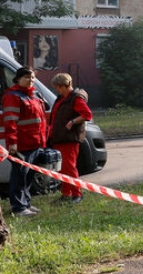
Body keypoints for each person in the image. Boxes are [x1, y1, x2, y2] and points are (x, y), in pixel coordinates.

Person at [2, 67, 48, 216]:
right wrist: (12, 142)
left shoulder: (34, 95)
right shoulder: (12, 96)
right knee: (19, 175)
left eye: (33, 78)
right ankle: (18, 207)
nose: (31, 80)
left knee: (28, 176)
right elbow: (10, 122)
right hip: (22, 144)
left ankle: (26, 203)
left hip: (35, 142)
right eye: (27, 77)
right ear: (18, 79)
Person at [48, 73, 93, 204]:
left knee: (69, 168)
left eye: (58, 87)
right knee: (63, 168)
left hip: (69, 139)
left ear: (65, 85)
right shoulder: (61, 98)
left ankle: (77, 194)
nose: (57, 90)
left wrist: (73, 121)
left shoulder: (76, 99)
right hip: (60, 137)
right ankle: (66, 193)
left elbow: (87, 114)